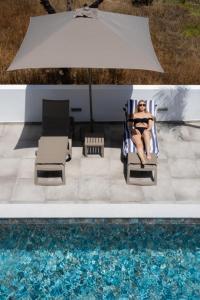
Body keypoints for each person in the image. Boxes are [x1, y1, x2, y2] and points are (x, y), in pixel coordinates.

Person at [128, 100, 154, 165]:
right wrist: (133, 129)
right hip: (137, 130)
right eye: (140, 105)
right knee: (139, 144)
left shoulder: (149, 114)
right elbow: (130, 125)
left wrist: (147, 130)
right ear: (138, 106)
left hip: (145, 130)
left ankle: (148, 153)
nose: (142, 106)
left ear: (145, 106)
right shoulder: (134, 115)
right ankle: (143, 160)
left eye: (143, 105)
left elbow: (150, 125)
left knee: (145, 132)